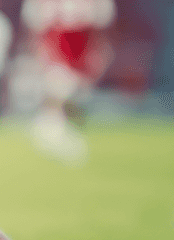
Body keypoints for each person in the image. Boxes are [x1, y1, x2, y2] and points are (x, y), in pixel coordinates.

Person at [21, 0, 116, 163]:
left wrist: (96, 56)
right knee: (59, 91)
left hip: (81, 58)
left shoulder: (94, 7)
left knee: (75, 98)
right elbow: (38, 33)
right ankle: (49, 130)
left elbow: (99, 32)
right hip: (57, 54)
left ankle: (57, 130)